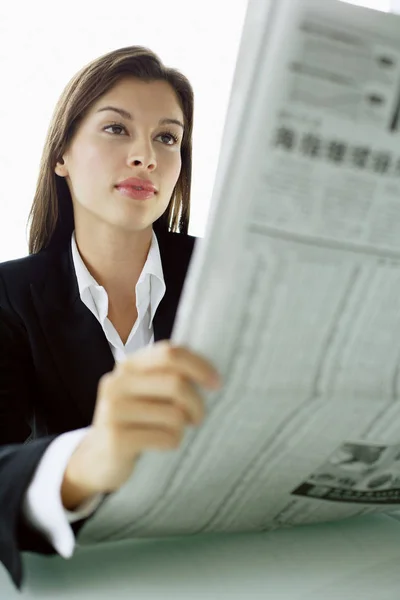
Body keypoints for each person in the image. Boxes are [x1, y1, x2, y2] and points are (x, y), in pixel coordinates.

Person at [0, 45, 221, 590]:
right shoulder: (9, 294)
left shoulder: (228, 272)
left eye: (167, 138)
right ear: (62, 155)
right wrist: (86, 463)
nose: (146, 156)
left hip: (229, 552)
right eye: (117, 130)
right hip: (101, 571)